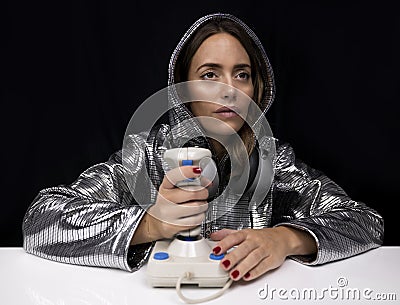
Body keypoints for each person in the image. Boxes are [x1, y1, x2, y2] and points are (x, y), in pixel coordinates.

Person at [23, 13, 384, 282]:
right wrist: (149, 224)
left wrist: (285, 239)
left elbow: (365, 222)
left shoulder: (273, 160)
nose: (230, 89)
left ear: (257, 88)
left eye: (241, 74)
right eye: (210, 74)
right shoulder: (145, 155)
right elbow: (41, 221)